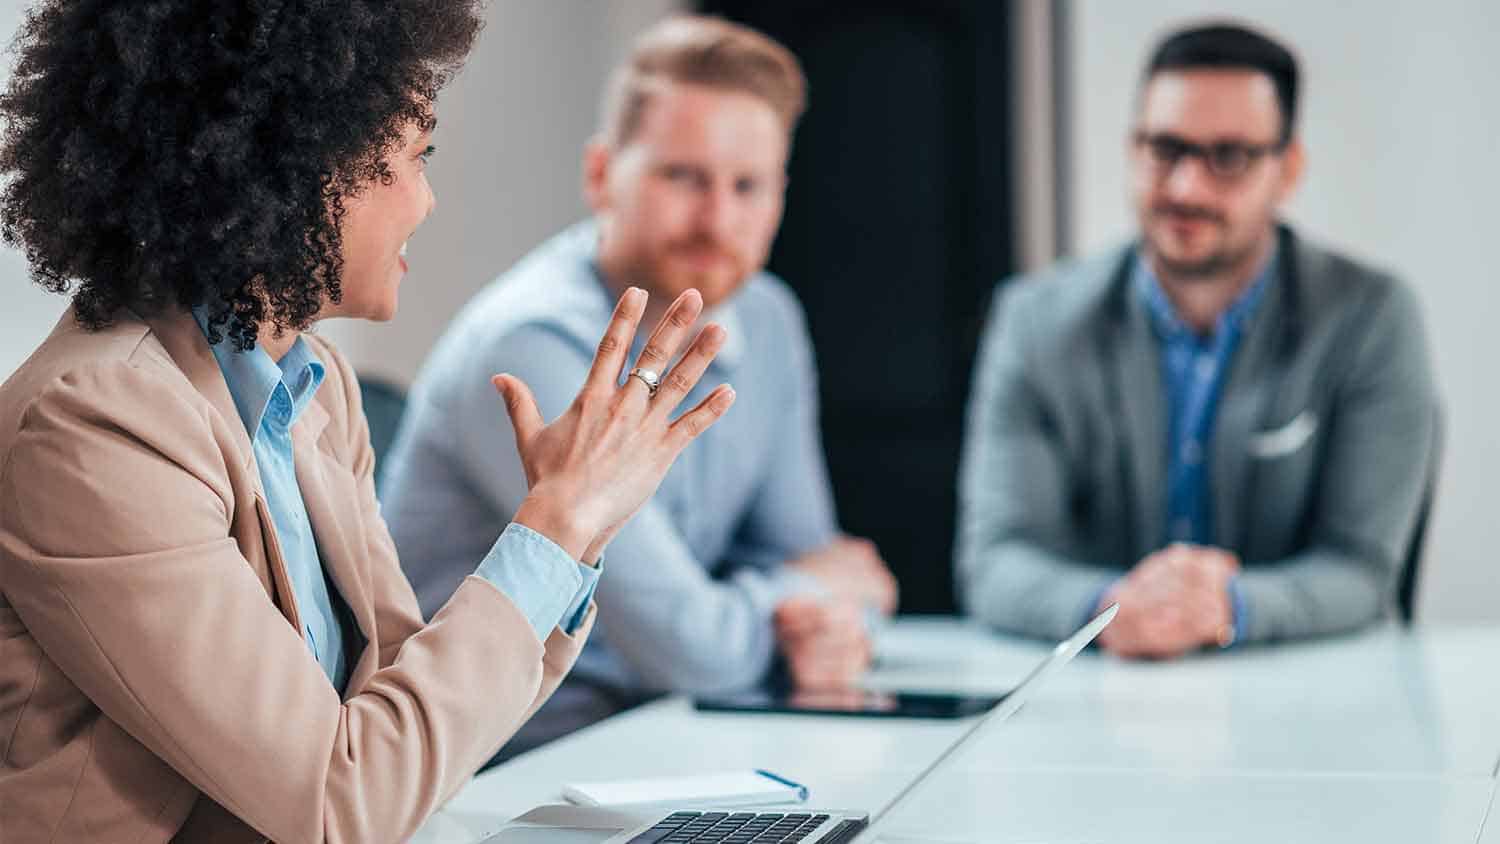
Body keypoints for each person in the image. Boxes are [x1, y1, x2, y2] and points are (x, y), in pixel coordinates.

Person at [0, 3, 736, 842]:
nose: (427, 201)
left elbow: (413, 735)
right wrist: (553, 530)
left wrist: (581, 521)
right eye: (415, 159)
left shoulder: (315, 387)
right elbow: (339, 802)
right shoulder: (95, 426)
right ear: (304, 167)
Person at [381, 15, 897, 755]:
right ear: (601, 176)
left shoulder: (769, 319)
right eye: (682, 176)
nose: (718, 218)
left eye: (747, 186)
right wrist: (818, 597)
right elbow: (696, 647)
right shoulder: (533, 340)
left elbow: (809, 563)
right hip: (503, 762)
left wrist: (819, 609)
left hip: (660, 736)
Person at [955, 22, 1439, 659]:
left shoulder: (1370, 318)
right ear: (1134, 148)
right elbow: (995, 561)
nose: (1187, 187)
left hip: (1307, 691)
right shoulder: (1034, 320)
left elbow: (1362, 569)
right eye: (1165, 149)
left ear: (1287, 169)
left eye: (1229, 158)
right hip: (1096, 694)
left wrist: (1225, 606)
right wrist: (1109, 608)